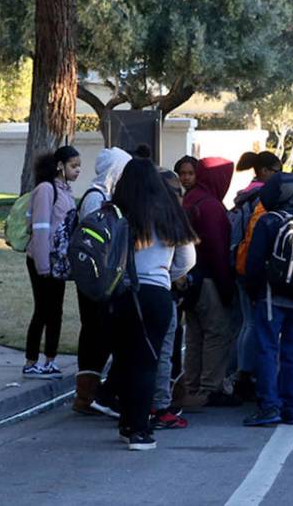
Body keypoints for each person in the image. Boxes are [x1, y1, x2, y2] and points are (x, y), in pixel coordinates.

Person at [110, 158, 196, 450]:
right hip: (156, 293)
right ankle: (141, 431)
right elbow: (187, 260)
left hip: (120, 294)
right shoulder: (170, 213)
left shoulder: (117, 212)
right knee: (148, 362)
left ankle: (126, 422)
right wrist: (166, 275)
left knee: (125, 360)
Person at [243, 172, 293, 427]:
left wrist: (254, 293)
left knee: (267, 350)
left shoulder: (268, 221)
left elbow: (254, 263)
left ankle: (269, 406)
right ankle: (292, 409)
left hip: (272, 298)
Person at [72, 147, 131, 414]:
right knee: (95, 334)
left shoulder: (103, 196)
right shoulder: (96, 199)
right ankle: (87, 394)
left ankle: (92, 392)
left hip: (101, 277)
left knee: (100, 334)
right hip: (95, 279)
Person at [182, 156, 240, 407]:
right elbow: (218, 251)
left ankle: (192, 386)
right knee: (217, 333)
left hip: (190, 279)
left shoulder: (190, 199)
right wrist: (226, 287)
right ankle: (210, 388)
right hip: (208, 280)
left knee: (195, 335)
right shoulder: (212, 207)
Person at [227, 150, 282, 401]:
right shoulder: (263, 198)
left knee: (246, 322)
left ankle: (241, 370)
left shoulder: (245, 195)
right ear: (265, 172)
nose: (279, 177)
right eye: (276, 171)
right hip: (252, 267)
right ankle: (245, 372)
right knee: (252, 323)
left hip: (240, 265)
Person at [23, 145, 81, 379]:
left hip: (59, 262)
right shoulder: (46, 190)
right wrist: (43, 265)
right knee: (43, 310)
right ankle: (31, 361)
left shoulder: (66, 192)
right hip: (42, 260)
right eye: (73, 166)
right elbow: (40, 228)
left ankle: (50, 360)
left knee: (55, 311)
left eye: (79, 167)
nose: (77, 171)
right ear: (60, 166)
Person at [149, 169, 191, 429]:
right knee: (163, 351)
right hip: (161, 290)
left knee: (140, 354)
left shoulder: (132, 216)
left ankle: (136, 406)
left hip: (131, 291)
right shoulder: (174, 220)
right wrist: (169, 273)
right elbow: (187, 260)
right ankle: (160, 406)